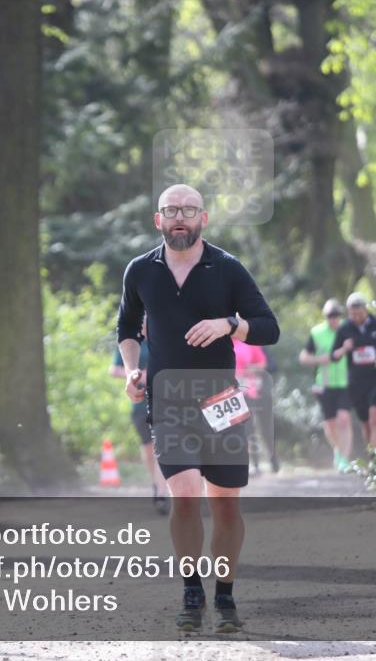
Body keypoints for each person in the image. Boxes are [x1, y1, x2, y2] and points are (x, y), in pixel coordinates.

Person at [116, 183, 279, 633]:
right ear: (158, 220)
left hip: (220, 399)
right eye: (171, 211)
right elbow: (127, 327)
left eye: (189, 210)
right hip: (167, 397)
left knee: (225, 505)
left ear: (203, 218)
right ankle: (191, 591)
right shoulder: (140, 271)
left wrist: (229, 324)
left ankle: (224, 595)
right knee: (184, 493)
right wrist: (133, 370)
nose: (180, 218)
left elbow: (268, 328)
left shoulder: (227, 268)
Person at [109, 319, 169, 514]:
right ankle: (155, 483)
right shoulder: (131, 343)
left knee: (162, 446)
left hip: (166, 401)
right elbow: (115, 369)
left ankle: (161, 492)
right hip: (141, 402)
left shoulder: (165, 339)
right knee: (148, 448)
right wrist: (136, 375)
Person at [330, 292, 376, 455]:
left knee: (375, 418)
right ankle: (373, 457)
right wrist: (344, 349)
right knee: (366, 423)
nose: (357, 317)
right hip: (357, 382)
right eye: (353, 314)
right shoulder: (344, 329)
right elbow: (334, 356)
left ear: (365, 310)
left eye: (359, 313)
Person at [299, 299, 354, 472]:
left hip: (346, 382)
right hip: (325, 383)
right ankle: (338, 451)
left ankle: (344, 460)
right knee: (330, 425)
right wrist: (319, 359)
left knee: (344, 420)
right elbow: (304, 357)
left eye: (337, 315)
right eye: (330, 316)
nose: (334, 319)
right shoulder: (317, 333)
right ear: (325, 317)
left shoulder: (348, 329)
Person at [232, 338, 271, 475]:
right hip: (228, 393)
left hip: (248, 391)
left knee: (249, 429)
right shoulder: (220, 341)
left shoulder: (248, 342)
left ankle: (255, 464)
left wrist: (250, 369)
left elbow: (262, 363)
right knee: (233, 429)